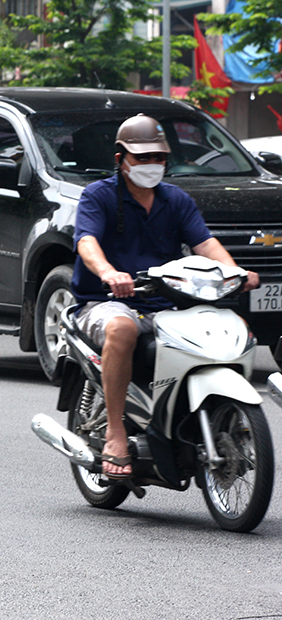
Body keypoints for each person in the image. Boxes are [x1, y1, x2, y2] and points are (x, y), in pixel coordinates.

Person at [71, 114, 260, 478]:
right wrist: (109, 272)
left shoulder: (175, 199)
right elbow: (86, 242)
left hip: (165, 304)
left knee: (219, 327)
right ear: (120, 159)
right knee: (122, 329)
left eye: (158, 157)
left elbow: (205, 244)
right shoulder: (98, 196)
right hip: (104, 302)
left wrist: (235, 273)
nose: (151, 165)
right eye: (142, 158)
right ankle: (115, 431)